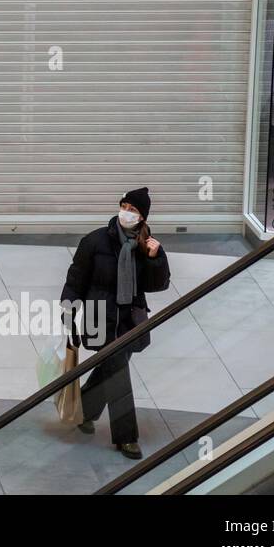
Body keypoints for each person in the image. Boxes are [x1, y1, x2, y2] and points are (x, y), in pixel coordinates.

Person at [59, 187, 170, 460]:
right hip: (100, 318)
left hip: (130, 321)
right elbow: (75, 282)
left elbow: (158, 285)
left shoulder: (145, 245)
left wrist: (157, 259)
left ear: (142, 217)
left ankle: (83, 410)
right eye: (124, 206)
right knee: (118, 372)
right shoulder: (94, 242)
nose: (127, 213)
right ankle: (126, 438)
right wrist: (69, 315)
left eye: (134, 210)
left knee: (110, 369)